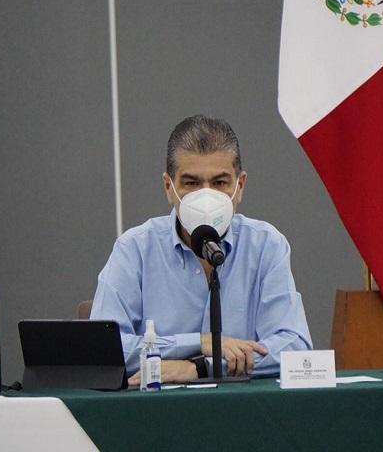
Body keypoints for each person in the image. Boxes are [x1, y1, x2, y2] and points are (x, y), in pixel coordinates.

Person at [91, 115, 312, 384]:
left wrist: (203, 367)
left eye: (220, 183)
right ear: (168, 188)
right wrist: (199, 342)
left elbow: (294, 348)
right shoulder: (134, 249)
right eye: (191, 183)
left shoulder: (266, 245)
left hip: (245, 412)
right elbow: (103, 351)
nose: (206, 197)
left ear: (239, 186)